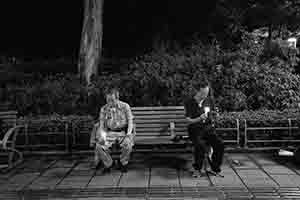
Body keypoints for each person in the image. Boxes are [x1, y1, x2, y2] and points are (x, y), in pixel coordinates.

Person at [184, 78, 224, 177]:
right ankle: (197, 168)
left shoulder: (209, 100)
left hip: (208, 129)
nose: (205, 95)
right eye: (203, 93)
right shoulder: (190, 102)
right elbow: (188, 120)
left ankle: (214, 168)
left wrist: (216, 115)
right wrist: (199, 118)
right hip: (195, 130)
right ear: (198, 91)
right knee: (200, 145)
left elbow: (214, 113)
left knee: (220, 144)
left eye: (207, 92)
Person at [90, 86, 134, 173]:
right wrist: (101, 136)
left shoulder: (125, 106)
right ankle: (109, 164)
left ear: (117, 98)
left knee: (128, 145)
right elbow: (102, 125)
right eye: (108, 100)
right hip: (109, 133)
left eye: (112, 100)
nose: (110, 103)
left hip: (122, 133)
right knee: (99, 146)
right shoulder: (104, 109)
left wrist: (128, 134)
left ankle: (123, 163)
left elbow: (130, 121)